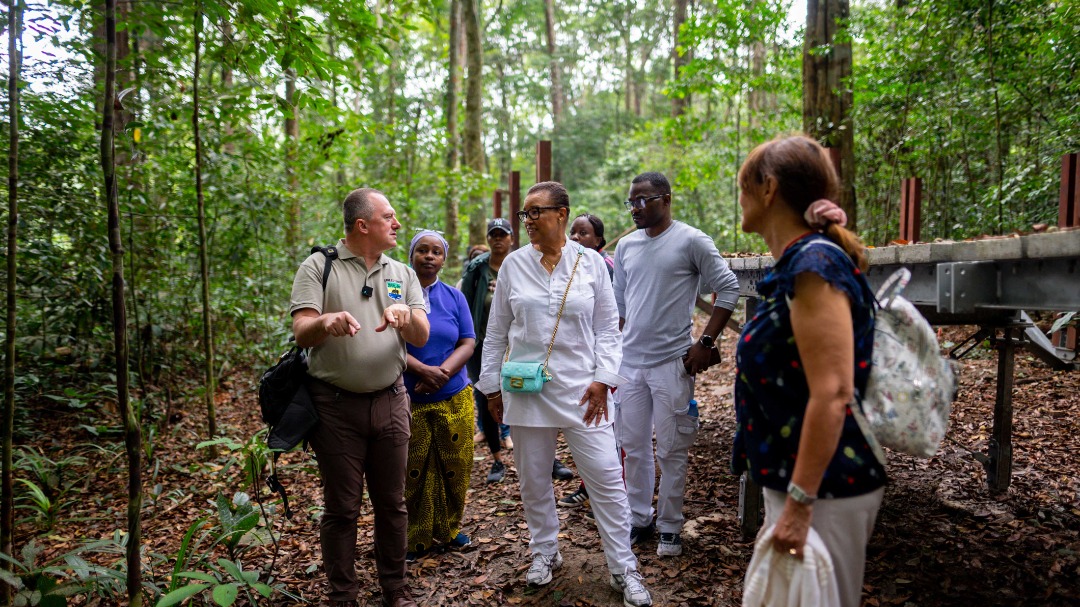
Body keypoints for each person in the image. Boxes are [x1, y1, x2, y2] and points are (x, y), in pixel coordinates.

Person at [477, 182, 653, 607]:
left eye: (536, 212)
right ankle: (545, 552)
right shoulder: (515, 266)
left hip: (584, 392)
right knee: (534, 480)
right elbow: (497, 331)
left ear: (562, 213)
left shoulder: (591, 264)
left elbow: (609, 330)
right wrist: (490, 387)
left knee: (608, 480)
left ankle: (623, 568)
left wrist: (603, 379)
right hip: (526, 391)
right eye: (525, 214)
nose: (529, 221)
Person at [733, 135, 886, 607]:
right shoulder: (796, 263)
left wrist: (800, 505)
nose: (738, 196)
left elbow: (833, 391)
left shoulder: (814, 265)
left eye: (743, 185)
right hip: (800, 482)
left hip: (826, 489)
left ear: (768, 189)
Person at [290, 188, 429, 607]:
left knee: (392, 503)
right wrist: (326, 321)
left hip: (390, 400)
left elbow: (421, 334)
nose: (397, 224)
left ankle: (394, 590)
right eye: (389, 216)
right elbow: (301, 330)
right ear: (362, 225)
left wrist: (406, 319)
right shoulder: (319, 266)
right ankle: (343, 595)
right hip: (334, 407)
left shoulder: (401, 272)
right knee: (342, 508)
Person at [613, 171, 740, 558]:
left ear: (666, 199)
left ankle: (670, 526)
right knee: (633, 447)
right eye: (631, 201)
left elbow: (729, 287)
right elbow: (620, 306)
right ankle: (640, 518)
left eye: (643, 200)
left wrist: (706, 342)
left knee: (671, 449)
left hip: (672, 363)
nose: (635, 207)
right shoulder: (626, 246)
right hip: (630, 363)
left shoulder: (691, 240)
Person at [462, 218, 575, 483]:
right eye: (494, 235)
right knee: (486, 399)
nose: (498, 239)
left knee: (534, 393)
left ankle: (550, 460)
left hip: (522, 349)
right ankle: (497, 461)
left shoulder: (525, 263)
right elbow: (466, 306)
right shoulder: (477, 269)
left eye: (503, 235)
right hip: (484, 346)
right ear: (488, 239)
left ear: (512, 238)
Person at [402, 230, 476, 561]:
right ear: (411, 255)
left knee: (454, 467)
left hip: (454, 395)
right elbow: (386, 342)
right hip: (408, 397)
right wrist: (421, 370)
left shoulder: (453, 296)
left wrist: (440, 373)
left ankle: (449, 529)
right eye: (422, 250)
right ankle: (415, 538)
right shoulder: (395, 294)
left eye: (436, 252)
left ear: (444, 260)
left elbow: (467, 341)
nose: (429, 256)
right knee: (412, 471)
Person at [559, 212, 614, 510]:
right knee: (585, 423)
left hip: (602, 362)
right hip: (579, 363)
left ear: (599, 240)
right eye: (574, 233)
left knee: (599, 426)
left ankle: (598, 492)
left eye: (584, 234)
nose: (576, 238)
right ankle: (587, 487)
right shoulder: (571, 265)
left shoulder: (604, 266)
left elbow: (610, 321)